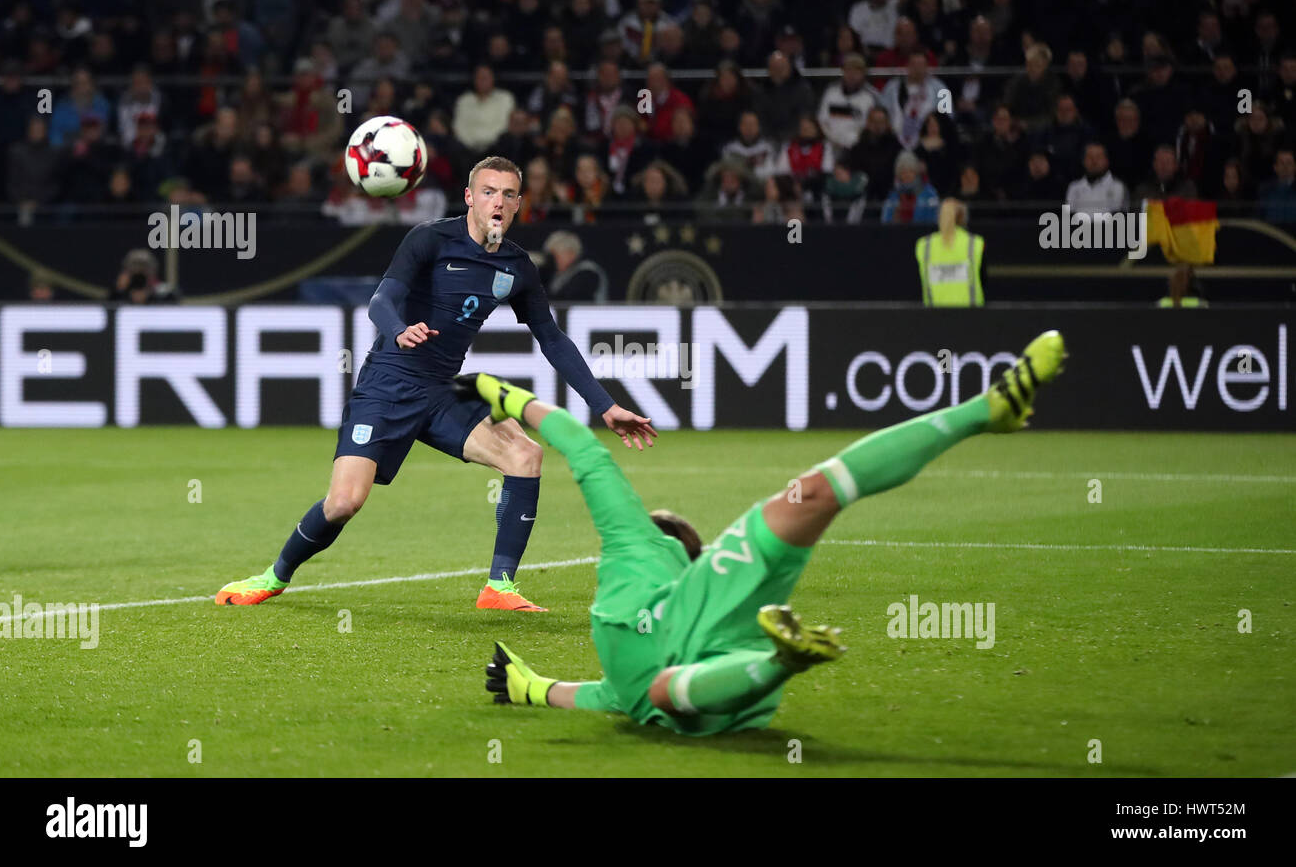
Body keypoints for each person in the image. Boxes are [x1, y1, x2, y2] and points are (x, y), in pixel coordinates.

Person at [474, 329, 1067, 734]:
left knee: (810, 492)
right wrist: (529, 687)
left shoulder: (636, 541)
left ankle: (987, 411)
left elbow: (582, 447)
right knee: (657, 690)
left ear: (672, 545)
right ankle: (782, 660)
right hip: (716, 668)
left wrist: (498, 392)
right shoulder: (638, 548)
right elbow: (584, 694)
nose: (663, 519)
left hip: (707, 628)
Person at [215, 156, 657, 612]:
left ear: (519, 203)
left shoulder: (517, 267)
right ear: (469, 197)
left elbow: (553, 340)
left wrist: (605, 406)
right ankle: (273, 576)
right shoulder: (429, 239)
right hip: (388, 382)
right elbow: (382, 299)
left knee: (526, 454)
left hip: (444, 388)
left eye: (508, 194)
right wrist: (397, 329)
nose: (497, 203)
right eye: (488, 192)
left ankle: (499, 588)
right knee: (345, 502)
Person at [914, 198, 984, 307]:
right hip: (970, 315)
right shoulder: (975, 242)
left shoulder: (924, 245)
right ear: (963, 218)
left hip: (934, 315)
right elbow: (984, 280)